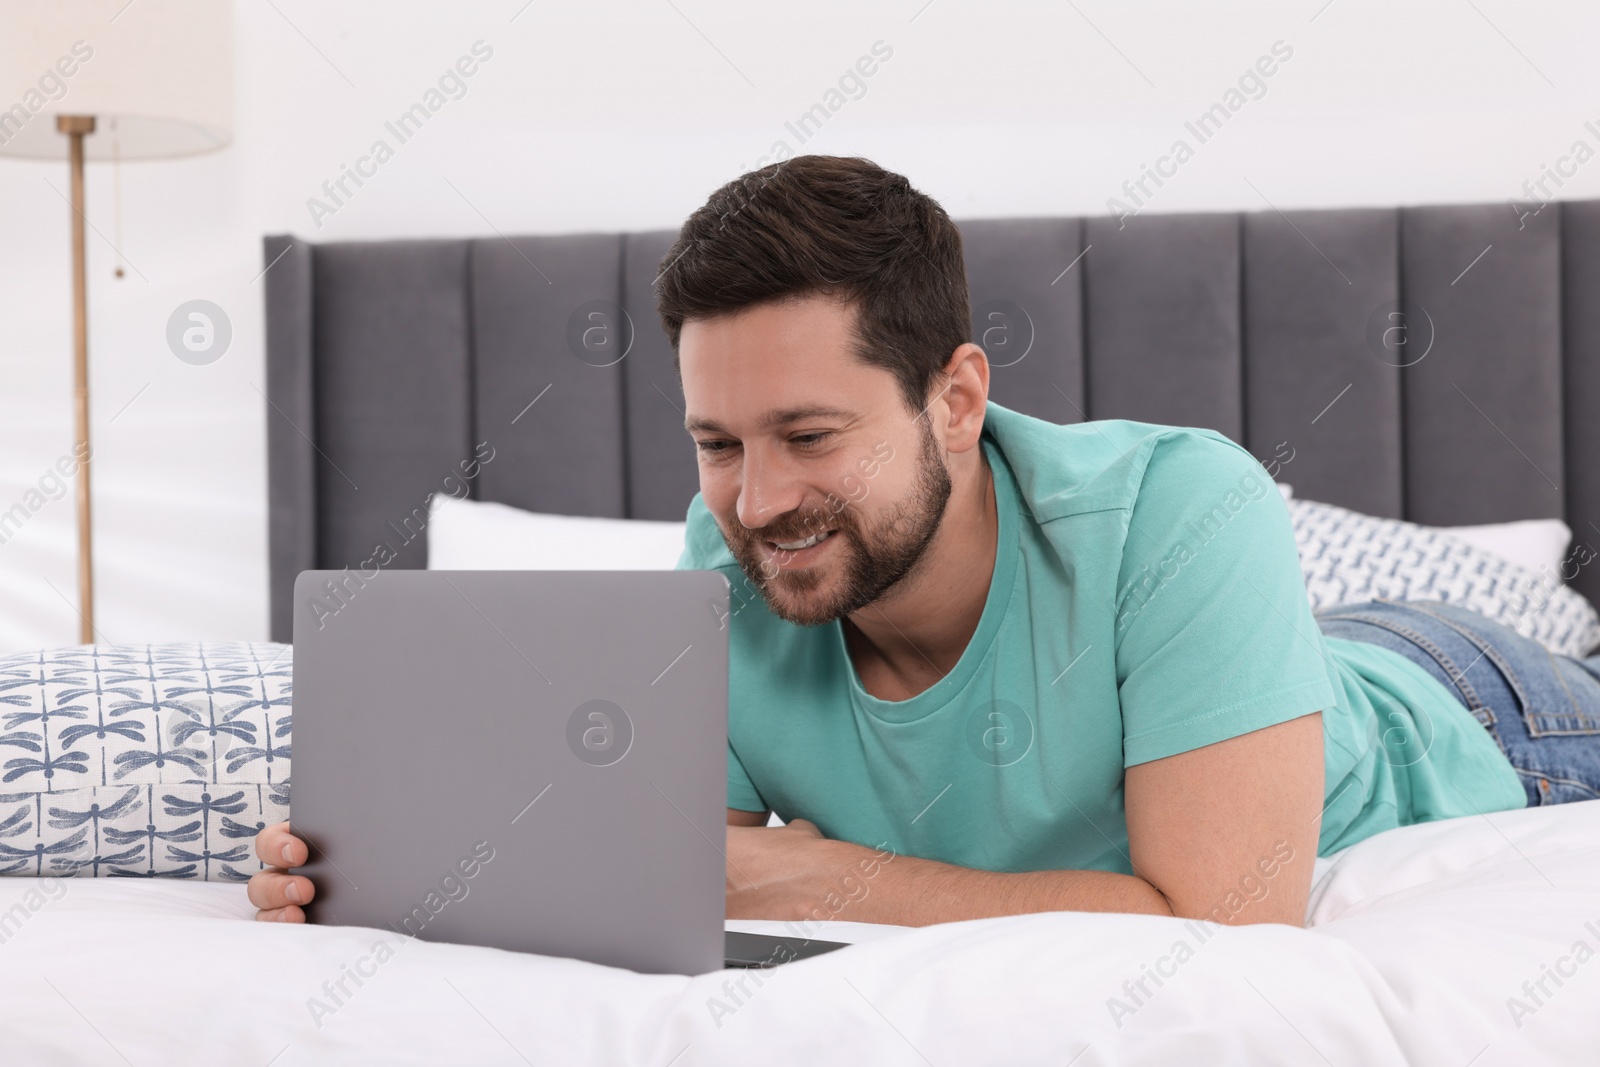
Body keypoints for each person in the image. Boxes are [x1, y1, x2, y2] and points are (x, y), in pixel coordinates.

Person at [248, 155, 1600, 929]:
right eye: (719, 444)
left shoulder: (1194, 509)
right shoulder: (719, 564)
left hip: (1473, 705)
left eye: (810, 434)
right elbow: (668, 877)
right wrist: (383, 871)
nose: (759, 498)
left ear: (956, 400)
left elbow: (1221, 930)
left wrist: (819, 870)